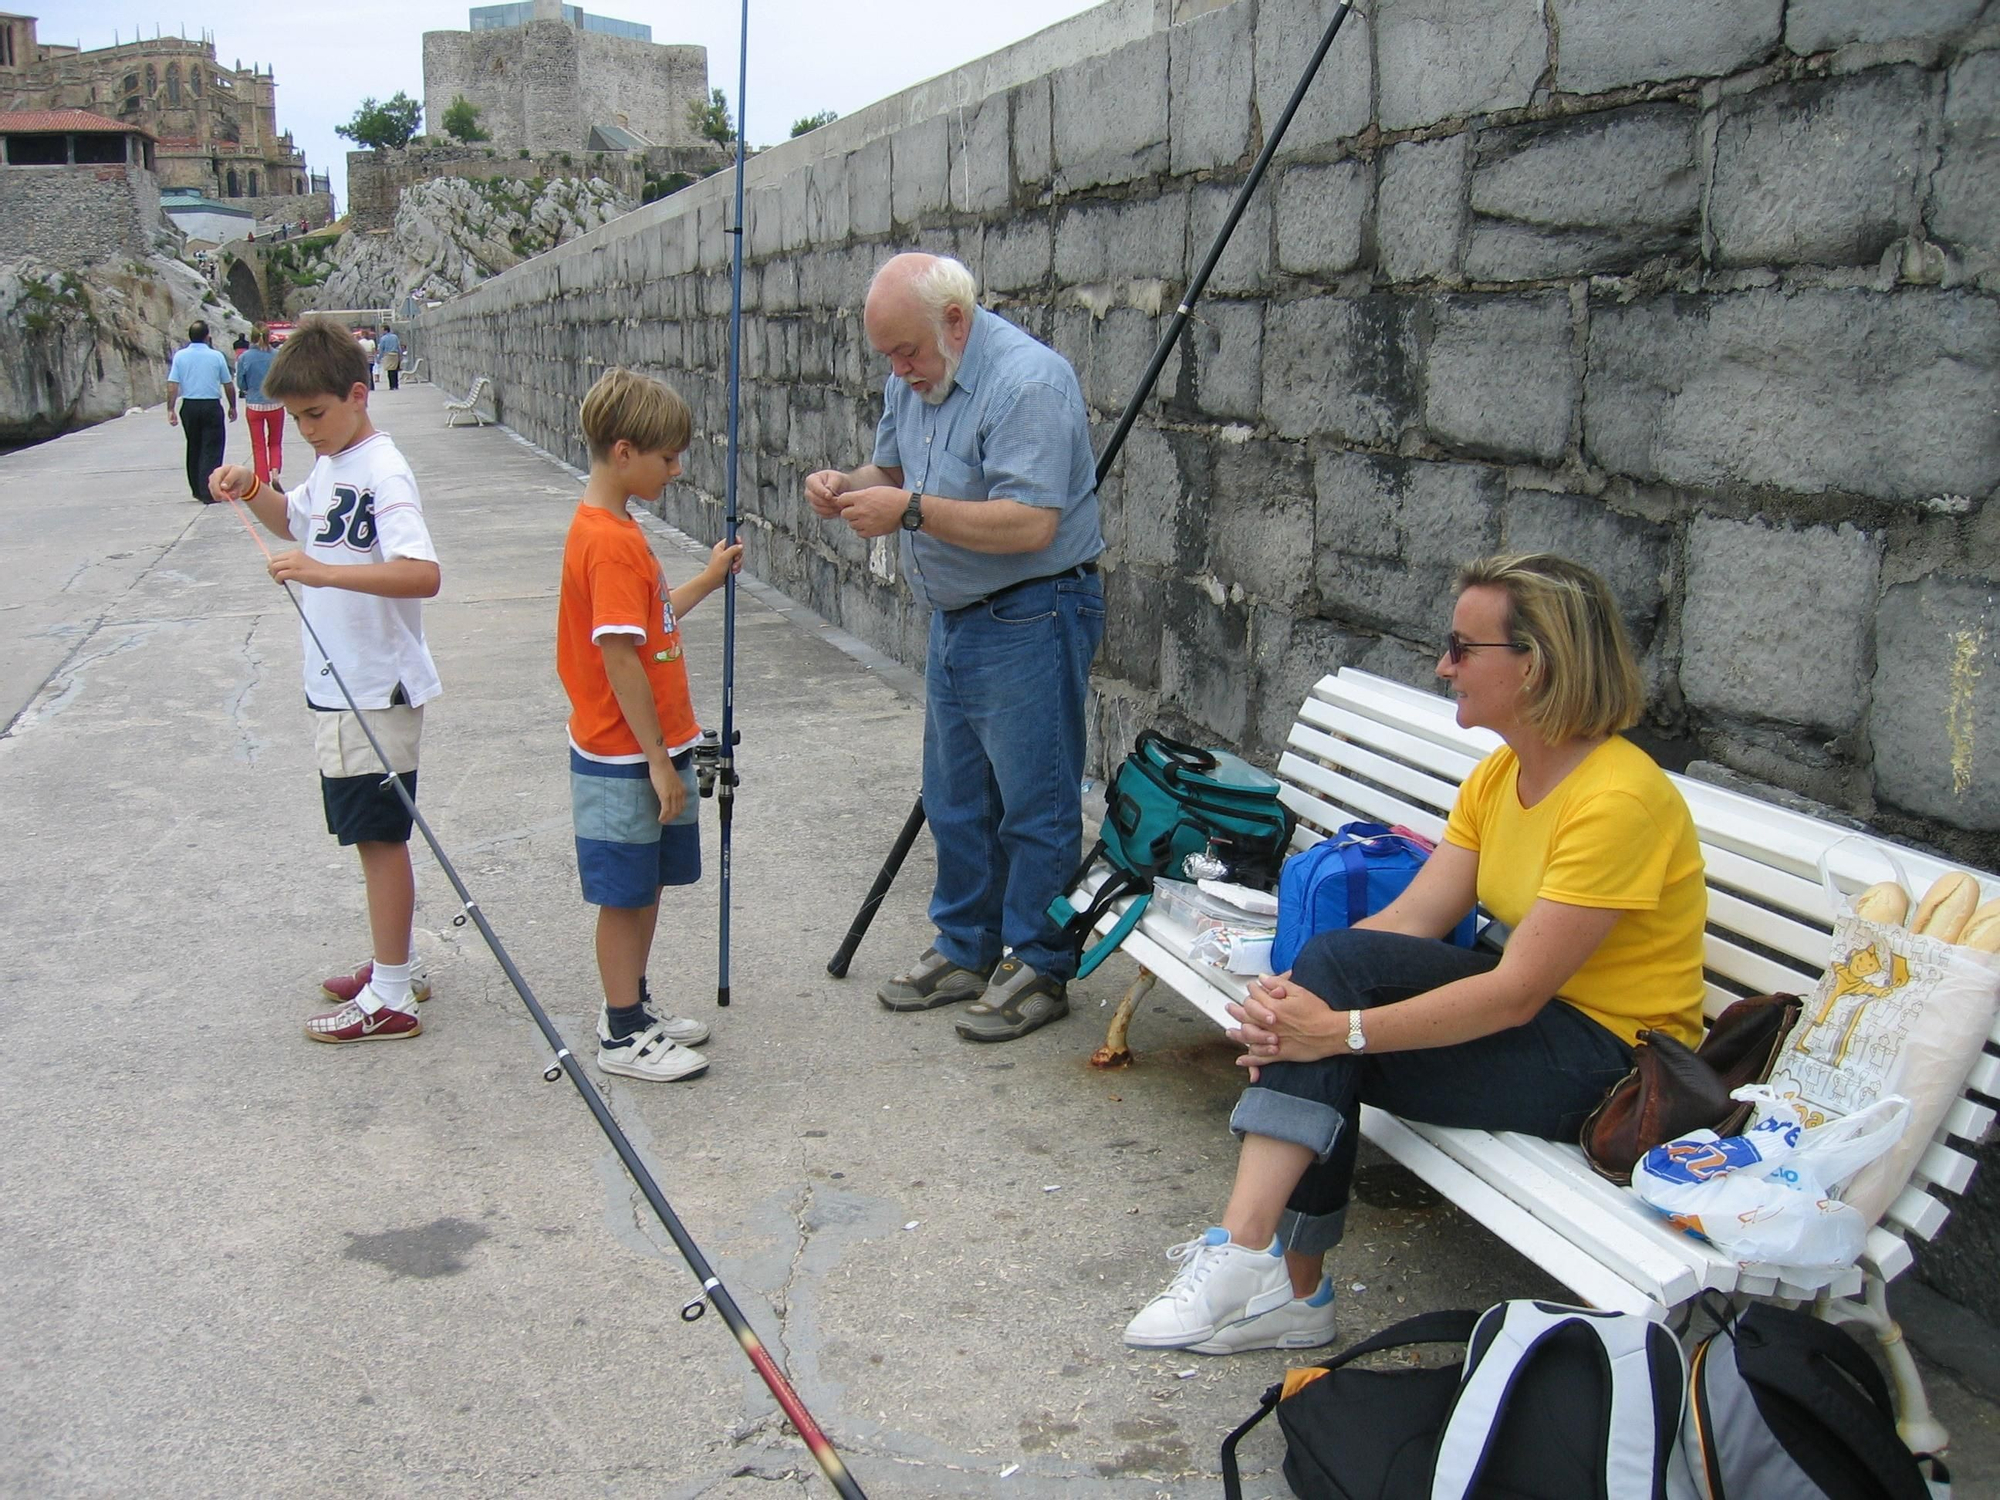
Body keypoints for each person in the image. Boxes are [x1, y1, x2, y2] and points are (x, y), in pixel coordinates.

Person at [1124, 554, 1706, 1355]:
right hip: (1539, 1021)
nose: (1443, 665)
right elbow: (1411, 920)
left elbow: (1516, 993)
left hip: (1614, 1063)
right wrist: (1292, 997)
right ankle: (1269, 1274)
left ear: (1535, 664)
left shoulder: (1619, 801)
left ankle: (1271, 1272)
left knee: (1326, 1039)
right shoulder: (1501, 776)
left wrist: (1338, 1029)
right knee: (1321, 993)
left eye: (1464, 648)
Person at [804, 252, 1105, 1044]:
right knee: (955, 797)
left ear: (955, 322)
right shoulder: (914, 376)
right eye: (887, 356)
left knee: (1035, 803)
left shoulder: (1029, 383)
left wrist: (907, 511)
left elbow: (1030, 523)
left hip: (1033, 611)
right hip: (958, 614)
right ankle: (968, 945)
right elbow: (891, 466)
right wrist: (845, 484)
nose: (898, 371)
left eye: (906, 352)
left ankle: (1038, 962)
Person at [207, 318, 444, 1043]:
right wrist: (253, 488)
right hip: (341, 687)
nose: (306, 430)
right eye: (295, 419)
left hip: (375, 688)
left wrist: (323, 573)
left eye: (315, 414)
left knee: (380, 838)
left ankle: (392, 995)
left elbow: (422, 574)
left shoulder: (382, 469)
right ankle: (394, 963)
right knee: (369, 835)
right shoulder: (335, 463)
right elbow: (295, 522)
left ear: (357, 395)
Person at [558, 368, 742, 1082]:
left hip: (648, 747)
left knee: (649, 884)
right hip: (624, 755)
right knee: (624, 894)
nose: (677, 469)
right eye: (668, 458)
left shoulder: (619, 531)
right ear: (625, 452)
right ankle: (621, 1033)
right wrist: (658, 761)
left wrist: (708, 578)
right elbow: (619, 658)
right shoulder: (607, 542)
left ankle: (631, 1005)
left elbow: (651, 623)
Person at [165, 321, 237, 502]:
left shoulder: (180, 356)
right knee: (212, 447)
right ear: (207, 336)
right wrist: (232, 406)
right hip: (211, 405)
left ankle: (196, 489)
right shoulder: (216, 356)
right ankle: (208, 490)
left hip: (189, 405)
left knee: (194, 446)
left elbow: (173, 384)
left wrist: (170, 409)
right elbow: (228, 384)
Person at [235, 324, 284, 485]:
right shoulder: (277, 355)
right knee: (275, 441)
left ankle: (262, 479)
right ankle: (275, 471)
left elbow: (241, 383)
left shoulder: (245, 357)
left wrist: (248, 389)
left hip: (254, 405)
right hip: (275, 403)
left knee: (258, 445)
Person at [377, 324, 403, 391]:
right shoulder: (395, 337)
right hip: (395, 354)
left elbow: (381, 349)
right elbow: (398, 346)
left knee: (389, 370)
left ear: (385, 330)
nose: (381, 331)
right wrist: (400, 355)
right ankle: (396, 384)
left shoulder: (383, 338)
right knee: (395, 369)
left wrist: (379, 358)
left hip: (387, 355)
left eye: (382, 330)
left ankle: (391, 385)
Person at [357, 327, 378, 391]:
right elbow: (374, 351)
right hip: (371, 359)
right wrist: (375, 358)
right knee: (370, 372)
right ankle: (372, 386)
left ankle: (367, 385)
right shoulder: (371, 342)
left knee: (365, 373)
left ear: (362, 335)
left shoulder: (360, 342)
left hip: (364, 358)